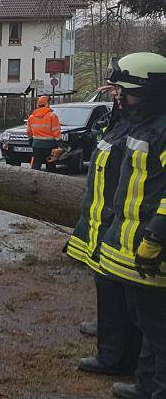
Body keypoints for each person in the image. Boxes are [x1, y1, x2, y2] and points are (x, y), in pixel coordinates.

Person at [95, 52, 166, 399]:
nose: (122, 98)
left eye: (128, 92)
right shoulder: (145, 122)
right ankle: (147, 385)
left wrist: (156, 234)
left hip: (154, 244)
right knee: (148, 324)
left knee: (158, 329)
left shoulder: (162, 129)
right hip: (135, 242)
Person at [64, 89, 141, 378]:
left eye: (121, 90)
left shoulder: (147, 128)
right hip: (103, 222)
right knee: (107, 289)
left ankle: (119, 357)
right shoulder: (121, 123)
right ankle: (112, 345)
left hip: (123, 223)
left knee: (127, 297)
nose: (116, 95)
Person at [27, 95, 62, 171]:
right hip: (50, 145)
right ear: (47, 104)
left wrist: (31, 140)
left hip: (36, 144)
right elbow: (56, 131)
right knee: (50, 164)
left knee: (36, 165)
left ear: (38, 105)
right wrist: (60, 143)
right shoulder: (52, 116)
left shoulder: (32, 117)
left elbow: (29, 132)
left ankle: (33, 180)